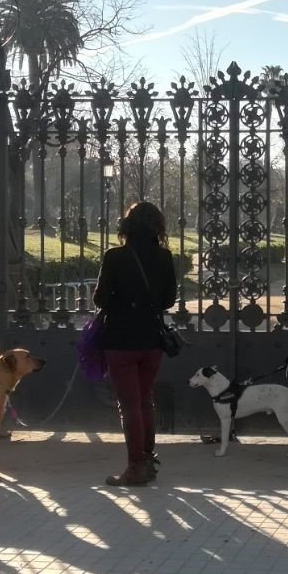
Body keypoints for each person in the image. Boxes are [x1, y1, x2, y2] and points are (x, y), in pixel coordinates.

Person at [93, 201, 178, 487]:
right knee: (145, 401)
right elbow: (168, 300)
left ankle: (136, 466)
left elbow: (100, 299)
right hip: (151, 339)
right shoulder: (164, 257)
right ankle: (148, 459)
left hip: (121, 339)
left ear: (127, 225)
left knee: (128, 404)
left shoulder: (115, 256)